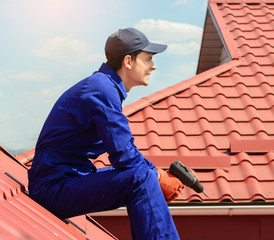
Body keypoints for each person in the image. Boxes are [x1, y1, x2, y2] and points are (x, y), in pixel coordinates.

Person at [28, 28, 184, 239]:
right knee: (141, 178)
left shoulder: (103, 87)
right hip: (53, 188)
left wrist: (156, 176)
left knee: (143, 176)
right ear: (128, 61)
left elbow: (125, 151)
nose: (153, 66)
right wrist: (158, 176)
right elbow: (123, 154)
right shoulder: (101, 89)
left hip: (69, 178)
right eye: (148, 59)